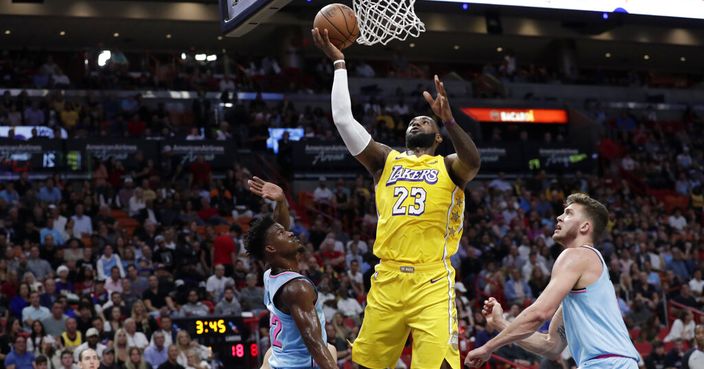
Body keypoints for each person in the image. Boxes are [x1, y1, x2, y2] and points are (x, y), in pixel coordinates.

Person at [312, 27, 481, 369]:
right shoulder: (385, 161)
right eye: (415, 120)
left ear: (437, 139)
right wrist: (340, 65)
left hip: (432, 280)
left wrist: (449, 120)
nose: (419, 120)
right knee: (367, 365)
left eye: (426, 120)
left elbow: (473, 162)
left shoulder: (448, 166)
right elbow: (344, 120)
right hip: (387, 278)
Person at [465, 194, 640, 369]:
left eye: (569, 213)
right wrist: (500, 323)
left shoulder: (576, 255)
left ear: (585, 226)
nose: (559, 217)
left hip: (607, 363)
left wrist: (488, 347)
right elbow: (551, 345)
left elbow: (540, 313)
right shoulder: (582, 290)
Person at [244, 177, 337, 369]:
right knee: (328, 350)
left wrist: (281, 201)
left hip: (280, 359)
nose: (290, 232)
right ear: (271, 248)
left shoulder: (271, 274)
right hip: (297, 366)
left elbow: (277, 230)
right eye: (282, 234)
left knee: (331, 348)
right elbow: (314, 342)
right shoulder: (297, 288)